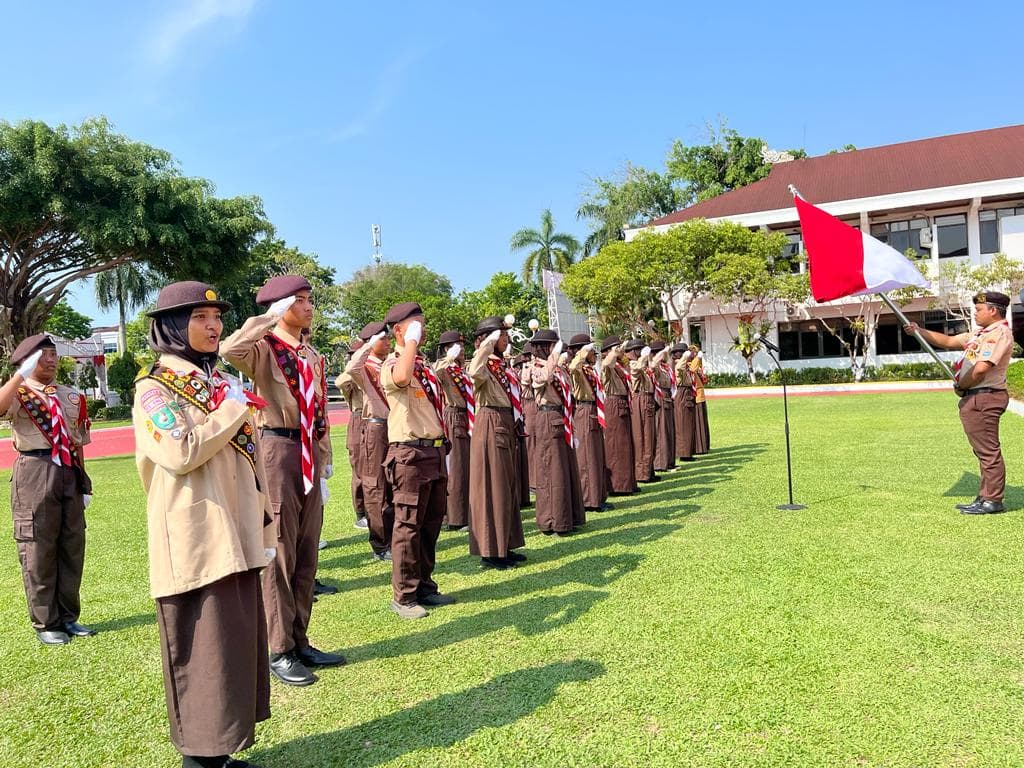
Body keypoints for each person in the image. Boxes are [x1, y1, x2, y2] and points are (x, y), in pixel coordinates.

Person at [132, 281, 272, 768]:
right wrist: (234, 409)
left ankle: (222, 752)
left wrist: (265, 524)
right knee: (201, 649)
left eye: (216, 318)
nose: (213, 326)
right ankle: (200, 758)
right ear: (171, 326)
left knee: (232, 644)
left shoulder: (215, 384)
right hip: (195, 539)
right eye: (199, 318)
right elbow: (179, 450)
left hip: (235, 531)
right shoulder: (153, 388)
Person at [221, 275, 342, 688]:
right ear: (282, 307)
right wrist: (265, 319)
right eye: (301, 301)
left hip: (307, 451)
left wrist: (323, 461)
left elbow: (319, 411)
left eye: (309, 300)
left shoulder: (311, 353)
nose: (309, 307)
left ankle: (300, 638)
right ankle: (279, 648)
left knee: (307, 549)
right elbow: (228, 350)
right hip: (277, 450)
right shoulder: (264, 349)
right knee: (281, 550)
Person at [0, 334, 95, 645]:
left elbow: (77, 442)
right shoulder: (19, 394)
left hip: (68, 471)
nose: (52, 359)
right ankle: (45, 623)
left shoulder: (69, 396)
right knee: (38, 547)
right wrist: (19, 376)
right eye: (43, 355)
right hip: (35, 471)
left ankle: (69, 618)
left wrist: (84, 482)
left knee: (72, 546)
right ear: (28, 360)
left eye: (54, 354)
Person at [903, 291, 1014, 514]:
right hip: (976, 397)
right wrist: (918, 331)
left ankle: (993, 499)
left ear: (993, 310)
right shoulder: (980, 333)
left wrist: (962, 384)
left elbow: (982, 369)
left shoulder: (999, 333)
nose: (975, 313)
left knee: (988, 451)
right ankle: (985, 497)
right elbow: (950, 341)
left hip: (984, 395)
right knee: (983, 451)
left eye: (979, 309)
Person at [380, 302, 455, 618]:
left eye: (421, 325)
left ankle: (425, 585)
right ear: (398, 330)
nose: (421, 330)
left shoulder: (423, 366)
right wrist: (409, 341)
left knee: (430, 525)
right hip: (410, 454)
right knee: (408, 526)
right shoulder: (393, 363)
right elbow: (401, 377)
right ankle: (404, 596)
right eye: (414, 325)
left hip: (434, 451)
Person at [467, 317, 526, 569]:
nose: (506, 339)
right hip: (491, 420)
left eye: (504, 336)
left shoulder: (501, 364)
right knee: (492, 487)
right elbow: (473, 373)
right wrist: (486, 347)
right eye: (501, 335)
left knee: (507, 486)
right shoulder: (482, 362)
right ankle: (491, 552)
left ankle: (506, 545)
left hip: (505, 422)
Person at [339, 322, 394, 561]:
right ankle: (381, 542)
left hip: (395, 427)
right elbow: (348, 371)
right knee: (376, 484)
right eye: (383, 339)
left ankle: (395, 536)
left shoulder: (389, 363)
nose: (388, 342)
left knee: (394, 485)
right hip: (375, 427)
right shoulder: (365, 367)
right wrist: (367, 347)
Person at [528, 329, 585, 535]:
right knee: (552, 471)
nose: (557, 350)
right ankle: (553, 520)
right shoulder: (534, 367)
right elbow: (542, 379)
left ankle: (570, 516)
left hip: (562, 417)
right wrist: (553, 358)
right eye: (553, 346)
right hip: (547, 417)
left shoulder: (558, 368)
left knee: (566, 468)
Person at [433, 330, 472, 531]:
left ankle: (467, 511)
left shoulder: (462, 368)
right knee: (456, 466)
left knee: (466, 466)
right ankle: (456, 517)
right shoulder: (446, 368)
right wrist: (447, 358)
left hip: (469, 416)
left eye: (463, 346)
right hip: (454, 415)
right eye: (457, 346)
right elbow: (435, 372)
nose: (462, 350)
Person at [567, 334, 610, 511]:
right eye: (592, 351)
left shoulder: (590, 369)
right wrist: (583, 353)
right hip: (584, 410)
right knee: (587, 457)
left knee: (597, 455)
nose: (595, 354)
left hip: (593, 410)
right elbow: (573, 366)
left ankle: (599, 496)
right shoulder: (578, 368)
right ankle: (589, 500)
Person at [337, 338, 369, 530]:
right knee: (359, 469)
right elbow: (341, 381)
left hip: (376, 420)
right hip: (359, 419)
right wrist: (354, 366)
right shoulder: (349, 374)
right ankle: (360, 513)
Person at [599, 336, 637, 495]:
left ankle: (628, 482)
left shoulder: (619, 367)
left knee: (626, 444)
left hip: (622, 403)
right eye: (615, 349)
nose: (619, 352)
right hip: (613, 404)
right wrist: (614, 353)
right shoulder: (607, 366)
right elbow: (607, 363)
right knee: (616, 445)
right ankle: (617, 485)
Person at [624, 339, 658, 483]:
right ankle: (642, 473)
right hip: (640, 399)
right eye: (638, 350)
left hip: (647, 399)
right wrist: (644, 357)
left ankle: (648, 470)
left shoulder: (641, 364)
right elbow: (636, 372)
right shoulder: (632, 364)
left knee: (649, 437)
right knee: (642, 438)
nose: (640, 352)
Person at [650, 341, 676, 473]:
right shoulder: (655, 366)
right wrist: (661, 353)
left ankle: (670, 461)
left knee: (669, 430)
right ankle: (661, 463)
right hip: (660, 396)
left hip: (667, 396)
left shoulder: (665, 367)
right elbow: (653, 365)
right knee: (661, 430)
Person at [672, 345, 697, 462]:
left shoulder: (684, 365)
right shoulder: (678, 364)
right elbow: (679, 369)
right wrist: (684, 358)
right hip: (682, 393)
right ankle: (684, 453)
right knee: (683, 425)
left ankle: (688, 451)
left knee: (688, 425)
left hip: (687, 393)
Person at [689, 345, 710, 455]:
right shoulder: (687, 364)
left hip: (699, 392)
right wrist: (697, 359)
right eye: (693, 353)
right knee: (698, 420)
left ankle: (704, 444)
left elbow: (698, 369)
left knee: (702, 420)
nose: (694, 355)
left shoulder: (695, 362)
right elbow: (692, 369)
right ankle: (699, 446)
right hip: (695, 394)